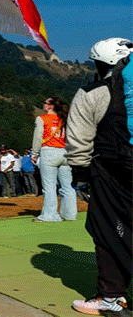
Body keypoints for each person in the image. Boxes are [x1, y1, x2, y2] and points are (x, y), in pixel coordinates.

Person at [66, 38, 133, 316]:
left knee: (106, 230)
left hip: (111, 171)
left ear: (100, 63)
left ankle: (112, 297)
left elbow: (78, 139)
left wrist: (81, 175)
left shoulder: (93, 92)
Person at [31, 96, 77, 222]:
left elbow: (38, 137)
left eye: (45, 103)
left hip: (49, 151)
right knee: (67, 185)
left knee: (49, 186)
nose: (43, 105)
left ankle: (50, 215)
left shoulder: (42, 119)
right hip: (65, 152)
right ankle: (70, 214)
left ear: (50, 106)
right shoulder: (65, 119)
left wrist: (34, 153)